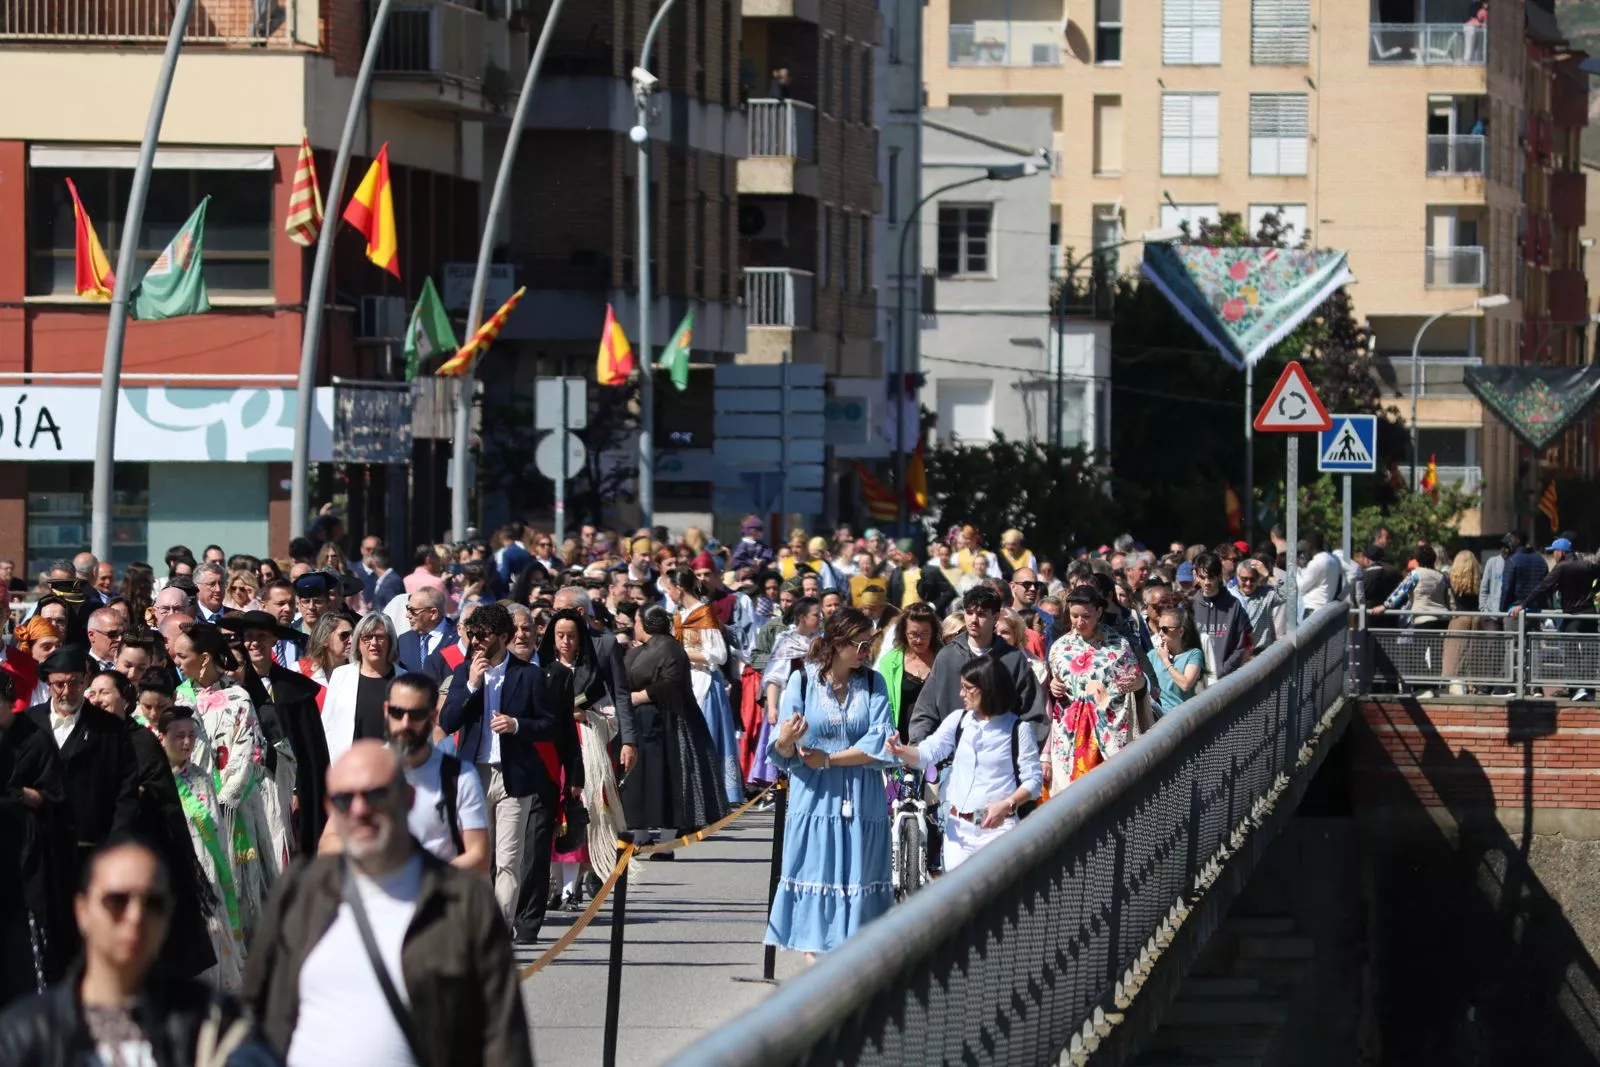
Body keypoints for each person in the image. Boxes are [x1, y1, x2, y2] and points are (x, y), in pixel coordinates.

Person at [243, 742, 533, 1067]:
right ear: (330, 808)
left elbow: (503, 1036)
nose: (359, 810)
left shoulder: (462, 901)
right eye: (344, 799)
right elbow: (254, 1011)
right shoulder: (298, 893)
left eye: (375, 795)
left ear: (408, 798)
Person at [0, 838, 276, 1066]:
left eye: (153, 903)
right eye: (117, 901)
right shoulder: (25, 1036)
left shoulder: (212, 1025)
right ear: (82, 911)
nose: (135, 916)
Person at [764, 609, 896, 958]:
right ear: (838, 644)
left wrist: (830, 759)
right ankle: (816, 962)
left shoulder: (873, 682)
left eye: (870, 643)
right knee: (815, 869)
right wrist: (787, 740)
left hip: (862, 795)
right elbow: (781, 748)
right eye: (861, 644)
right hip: (815, 798)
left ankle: (855, 959)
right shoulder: (802, 682)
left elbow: (881, 741)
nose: (867, 650)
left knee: (860, 872)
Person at [439, 602, 563, 935]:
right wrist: (471, 686)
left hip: (514, 778)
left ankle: (498, 928)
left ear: (504, 637)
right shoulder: (465, 673)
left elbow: (551, 725)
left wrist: (518, 725)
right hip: (474, 778)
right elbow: (448, 720)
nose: (475, 641)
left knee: (508, 858)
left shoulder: (529, 675)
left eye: (483, 635)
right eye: (471, 634)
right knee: (479, 858)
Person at [169, 623, 278, 938]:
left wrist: (224, 800)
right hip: (190, 806)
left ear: (204, 658)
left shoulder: (238, 698)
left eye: (182, 656)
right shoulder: (180, 697)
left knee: (237, 886)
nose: (176, 662)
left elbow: (248, 754)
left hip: (232, 812)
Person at [320, 673, 490, 874]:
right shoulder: (364, 769)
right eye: (397, 713)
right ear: (386, 711)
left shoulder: (460, 776)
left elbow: (479, 856)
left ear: (433, 717)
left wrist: (415, 877)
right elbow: (327, 845)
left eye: (416, 714)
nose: (405, 724)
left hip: (435, 896)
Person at [887, 656, 1042, 870]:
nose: (961, 694)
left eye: (968, 688)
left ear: (988, 688)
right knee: (957, 900)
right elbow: (928, 753)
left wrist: (1007, 805)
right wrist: (901, 750)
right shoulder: (959, 720)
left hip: (998, 830)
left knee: (993, 901)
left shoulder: (1018, 729)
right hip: (957, 831)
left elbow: (1033, 781)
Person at [533, 608, 624, 914]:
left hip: (583, 753)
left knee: (575, 818)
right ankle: (554, 888)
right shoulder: (541, 671)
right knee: (550, 820)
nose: (566, 641)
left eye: (571, 636)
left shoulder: (593, 676)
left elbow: (612, 719)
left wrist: (588, 716)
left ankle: (570, 890)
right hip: (549, 752)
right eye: (560, 635)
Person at [620, 606, 728, 855]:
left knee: (668, 780)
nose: (635, 626)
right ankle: (641, 836)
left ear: (645, 624)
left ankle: (666, 843)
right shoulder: (639, 651)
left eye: (637, 621)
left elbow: (671, 682)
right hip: (641, 725)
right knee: (640, 780)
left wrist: (641, 696)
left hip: (669, 723)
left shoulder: (670, 649)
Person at [222, 611, 330, 855]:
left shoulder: (296, 690)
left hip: (287, 788)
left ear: (274, 641)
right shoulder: (230, 686)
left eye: (262, 636)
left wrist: (298, 790)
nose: (254, 643)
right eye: (249, 637)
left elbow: (311, 751)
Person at [158, 705, 246, 990]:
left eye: (191, 736)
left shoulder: (202, 778)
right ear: (162, 737)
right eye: (178, 736)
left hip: (206, 867)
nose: (186, 743)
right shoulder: (154, 779)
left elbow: (218, 832)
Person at [0, 667, 73, 1009]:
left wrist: (15, 796)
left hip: (26, 857)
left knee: (26, 956)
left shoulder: (35, 739)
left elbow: (50, 797)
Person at [29, 646, 140, 866]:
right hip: (39, 849)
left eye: (75, 683)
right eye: (59, 684)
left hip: (93, 848)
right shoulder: (27, 724)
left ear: (85, 681)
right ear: (48, 684)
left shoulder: (110, 728)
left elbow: (126, 789)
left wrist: (116, 840)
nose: (67, 691)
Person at [908, 585, 1047, 746]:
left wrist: (1019, 753)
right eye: (969, 613)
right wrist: (920, 747)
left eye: (981, 614)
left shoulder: (1013, 660)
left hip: (1000, 760)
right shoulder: (947, 656)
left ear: (995, 618)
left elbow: (1034, 716)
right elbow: (926, 710)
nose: (973, 620)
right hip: (951, 760)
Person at [1046, 585, 1147, 787]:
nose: (1079, 622)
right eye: (1074, 616)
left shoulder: (1119, 645)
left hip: (1110, 733)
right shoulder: (1059, 648)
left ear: (1099, 612)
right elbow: (1054, 683)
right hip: (1070, 735)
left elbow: (1136, 683)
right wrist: (1053, 686)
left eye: (1086, 616)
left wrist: (1137, 683)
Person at [663, 567, 743, 808]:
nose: (667, 593)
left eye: (668, 588)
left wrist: (683, 654)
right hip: (685, 681)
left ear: (679, 589)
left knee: (706, 738)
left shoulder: (704, 614)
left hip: (706, 682)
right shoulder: (680, 615)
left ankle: (715, 793)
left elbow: (718, 654)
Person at [752, 597, 823, 793]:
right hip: (791, 705)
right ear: (802, 617)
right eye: (816, 615)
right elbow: (774, 677)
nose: (820, 618)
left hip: (817, 703)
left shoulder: (823, 641)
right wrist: (773, 707)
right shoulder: (786, 641)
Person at [321, 612, 400, 767]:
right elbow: (327, 727)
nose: (374, 643)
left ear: (390, 642)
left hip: (390, 768)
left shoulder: (404, 679)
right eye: (367, 638)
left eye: (380, 637)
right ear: (358, 642)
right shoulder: (341, 676)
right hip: (347, 768)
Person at [876, 601, 942, 742]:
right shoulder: (889, 662)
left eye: (925, 634)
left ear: (933, 632)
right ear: (903, 633)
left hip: (939, 739)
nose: (919, 640)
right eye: (913, 634)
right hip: (903, 740)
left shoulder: (944, 657)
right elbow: (884, 705)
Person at [1189, 553, 1253, 685]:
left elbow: (1242, 645)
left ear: (1219, 576)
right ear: (1196, 576)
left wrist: (1223, 671)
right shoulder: (1190, 604)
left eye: (1211, 577)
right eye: (1203, 577)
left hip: (1226, 679)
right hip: (1196, 680)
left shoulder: (1233, 605)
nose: (1207, 582)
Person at [1147, 601, 1205, 716]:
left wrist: (1165, 661)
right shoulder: (1153, 655)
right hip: (1157, 718)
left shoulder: (1193, 654)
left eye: (1165, 629)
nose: (1160, 633)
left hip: (1181, 719)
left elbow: (1185, 684)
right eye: (1159, 628)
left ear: (1180, 631)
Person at [398, 587, 455, 674]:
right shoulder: (403, 640)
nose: (407, 615)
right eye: (407, 609)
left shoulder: (458, 639)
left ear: (433, 613)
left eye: (413, 610)